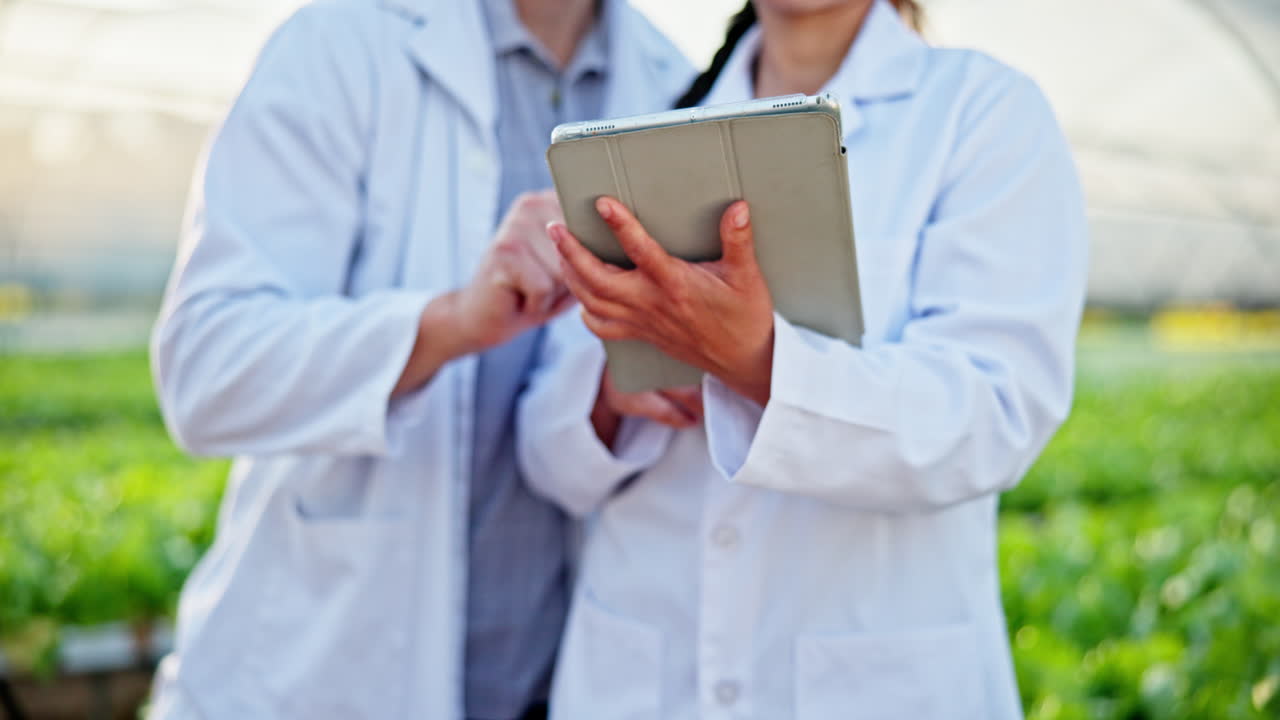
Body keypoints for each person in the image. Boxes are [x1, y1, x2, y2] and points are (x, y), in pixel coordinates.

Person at [519, 0, 1088, 717]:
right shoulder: (640, 121)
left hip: (871, 679)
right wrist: (610, 394)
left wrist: (755, 364)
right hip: (641, 676)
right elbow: (544, 449)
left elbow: (993, 417)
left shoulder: (982, 115)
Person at [147, 0, 691, 717]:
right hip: (322, 674)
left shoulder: (674, 89)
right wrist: (449, 324)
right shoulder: (341, 45)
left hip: (553, 682)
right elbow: (206, 371)